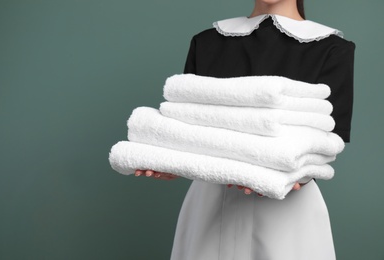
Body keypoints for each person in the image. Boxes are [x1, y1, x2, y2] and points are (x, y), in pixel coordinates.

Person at [135, 0, 355, 259]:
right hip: (209, 204)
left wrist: (298, 174)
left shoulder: (330, 47)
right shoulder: (206, 42)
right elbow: (188, 124)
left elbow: (329, 137)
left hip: (287, 209)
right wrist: (174, 161)